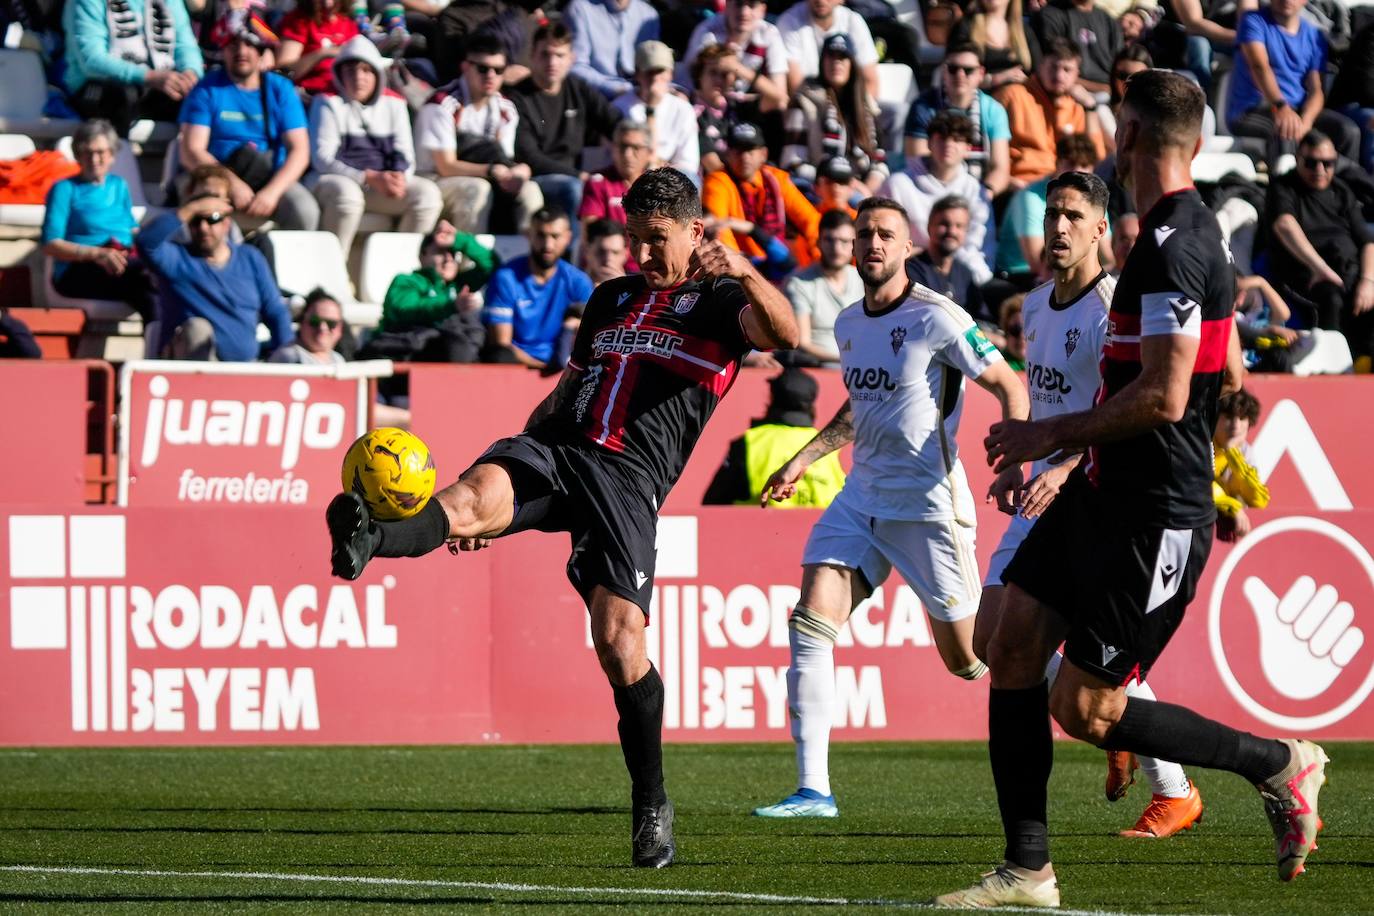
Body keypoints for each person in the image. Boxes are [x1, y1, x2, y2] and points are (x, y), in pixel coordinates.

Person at [325, 166, 800, 869]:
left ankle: (651, 802)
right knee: (464, 502)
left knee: (618, 644)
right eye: (632, 237)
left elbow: (786, 334)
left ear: (696, 232)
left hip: (628, 480)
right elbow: (566, 390)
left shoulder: (721, 300)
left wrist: (740, 266)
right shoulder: (609, 298)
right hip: (558, 447)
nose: (639, 253)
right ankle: (370, 534)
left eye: (656, 239)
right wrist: (507, 479)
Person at [935, 69, 1326, 909]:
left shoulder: (1175, 244)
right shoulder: (1167, 237)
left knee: (1087, 709)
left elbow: (1166, 395)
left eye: (1118, 126)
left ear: (1133, 137)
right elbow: (1215, 374)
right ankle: (1027, 871)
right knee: (1008, 649)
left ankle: (1278, 763)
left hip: (1154, 516)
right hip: (1103, 496)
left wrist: (1048, 433)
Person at [752, 196, 1028, 819]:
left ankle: (1095, 686)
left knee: (973, 660)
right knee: (810, 623)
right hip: (861, 499)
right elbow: (859, 408)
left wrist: (1013, 463)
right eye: (864, 234)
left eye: (886, 235)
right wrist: (805, 459)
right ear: (852, 250)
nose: (873, 243)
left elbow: (1010, 384)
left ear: (908, 249)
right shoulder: (849, 323)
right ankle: (813, 790)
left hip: (930, 507)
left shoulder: (940, 318)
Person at [978, 170, 1204, 844]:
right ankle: (1114, 728)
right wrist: (1020, 463)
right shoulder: (1037, 306)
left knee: (1060, 655)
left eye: (1075, 215)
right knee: (991, 639)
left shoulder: (1114, 305)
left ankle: (1175, 789)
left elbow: (1128, 410)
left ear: (1102, 227)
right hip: (1043, 487)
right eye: (1052, 214)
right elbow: (1044, 400)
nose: (1059, 228)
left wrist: (1068, 464)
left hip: (1094, 490)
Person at [179, 12, 320, 231]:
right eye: (233, 44)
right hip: (216, 176)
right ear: (223, 50)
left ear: (261, 51)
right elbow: (192, 150)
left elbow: (300, 151)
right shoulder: (207, 89)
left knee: (305, 210)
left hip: (269, 177)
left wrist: (272, 192)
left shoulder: (280, 89)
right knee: (207, 212)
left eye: (250, 44)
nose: (241, 52)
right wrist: (230, 183)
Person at [310, 36, 442, 256]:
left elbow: (405, 154)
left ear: (377, 74)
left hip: (381, 184)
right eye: (350, 70)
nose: (358, 77)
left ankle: (402, 268)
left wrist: (399, 177)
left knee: (426, 195)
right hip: (340, 182)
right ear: (340, 73)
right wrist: (367, 177)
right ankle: (333, 268)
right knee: (347, 196)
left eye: (366, 70)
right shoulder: (327, 102)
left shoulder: (395, 103)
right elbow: (322, 159)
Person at [1262, 129, 1374, 370]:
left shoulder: (1342, 190)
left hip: (1351, 271)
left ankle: (1364, 364)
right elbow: (1284, 225)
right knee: (1331, 298)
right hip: (1307, 275)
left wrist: (1368, 280)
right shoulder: (1284, 187)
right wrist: (1320, 268)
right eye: (1312, 163)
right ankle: (1335, 370)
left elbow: (1367, 241)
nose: (1320, 170)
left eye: (1328, 163)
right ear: (1298, 159)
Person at [137, 191, 292, 361]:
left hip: (244, 370)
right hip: (189, 372)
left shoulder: (250, 257)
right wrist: (191, 208)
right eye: (195, 220)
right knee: (197, 329)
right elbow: (146, 242)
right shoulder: (177, 259)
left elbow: (276, 311)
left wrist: (283, 358)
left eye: (212, 219)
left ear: (227, 223)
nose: (203, 227)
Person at [413, 34, 544, 235]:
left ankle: (527, 261)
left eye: (498, 70)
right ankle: (470, 263)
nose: (490, 75)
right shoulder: (441, 105)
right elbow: (445, 166)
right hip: (432, 179)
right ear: (465, 67)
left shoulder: (506, 109)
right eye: (482, 68)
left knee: (530, 191)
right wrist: (491, 170)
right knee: (476, 189)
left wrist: (520, 171)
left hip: (483, 175)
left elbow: (504, 160)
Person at [509, 22, 624, 243]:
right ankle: (575, 256)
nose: (552, 62)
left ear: (571, 58)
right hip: (536, 177)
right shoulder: (518, 97)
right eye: (545, 54)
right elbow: (528, 156)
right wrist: (579, 175)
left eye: (559, 55)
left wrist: (640, 153)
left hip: (574, 176)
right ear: (532, 55)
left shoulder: (577, 88)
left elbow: (615, 123)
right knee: (575, 189)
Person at [42, 119, 156, 321]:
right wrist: (97, 254)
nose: (94, 159)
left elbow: (130, 229)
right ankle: (162, 350)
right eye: (87, 152)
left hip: (122, 262)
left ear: (112, 154)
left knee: (157, 285)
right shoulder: (64, 189)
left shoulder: (119, 185)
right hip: (79, 270)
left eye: (101, 152)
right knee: (147, 284)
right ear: (78, 155)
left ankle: (166, 348)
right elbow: (50, 244)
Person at [1227, 0, 1360, 170]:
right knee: (1286, 130)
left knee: (1347, 131)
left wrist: (1307, 120)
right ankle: (1282, 192)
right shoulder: (1252, 21)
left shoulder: (1315, 35)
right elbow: (1259, 66)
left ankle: (1344, 190)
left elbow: (1316, 89)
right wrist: (1281, 106)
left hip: (1296, 112)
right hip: (1250, 110)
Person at [702, 368, 845, 506]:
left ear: (772, 399)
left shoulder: (751, 441)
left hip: (759, 528)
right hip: (822, 529)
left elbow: (714, 501)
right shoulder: (827, 445)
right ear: (812, 404)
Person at [880, 112, 995, 282]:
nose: (948, 145)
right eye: (941, 138)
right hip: (911, 273)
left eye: (956, 140)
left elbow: (980, 246)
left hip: (965, 275)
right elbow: (886, 240)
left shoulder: (976, 191)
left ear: (968, 149)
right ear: (929, 143)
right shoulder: (897, 184)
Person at [62, 0, 203, 134]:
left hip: (156, 87)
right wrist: (150, 77)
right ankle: (119, 157)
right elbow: (91, 59)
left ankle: (197, 158)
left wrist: (190, 73)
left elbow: (185, 46)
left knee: (202, 96)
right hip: (97, 87)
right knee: (123, 95)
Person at [367, 221, 497, 363]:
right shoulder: (407, 280)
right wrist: (451, 306)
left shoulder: (458, 286)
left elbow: (491, 265)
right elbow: (405, 308)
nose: (448, 260)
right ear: (422, 256)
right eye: (441, 252)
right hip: (408, 352)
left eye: (453, 254)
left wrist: (458, 239)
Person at [482, 207, 594, 369]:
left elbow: (588, 339)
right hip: (517, 365)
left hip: (564, 364)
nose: (548, 245)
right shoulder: (506, 277)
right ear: (529, 235)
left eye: (555, 236)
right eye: (541, 235)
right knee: (500, 355)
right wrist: (542, 368)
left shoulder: (579, 281)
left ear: (568, 238)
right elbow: (501, 342)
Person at [704, 122, 820, 272]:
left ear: (763, 154)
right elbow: (719, 231)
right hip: (739, 265)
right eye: (738, 151)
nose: (745, 157)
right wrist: (734, 267)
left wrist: (821, 263)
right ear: (728, 154)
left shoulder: (777, 179)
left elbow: (811, 221)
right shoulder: (718, 181)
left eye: (750, 150)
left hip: (777, 261)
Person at [995, 134, 1106, 289]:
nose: (1077, 171)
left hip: (1073, 273)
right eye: (1071, 163)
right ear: (1057, 162)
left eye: (1084, 165)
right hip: (1020, 277)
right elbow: (1039, 262)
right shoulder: (1029, 197)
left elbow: (1106, 257)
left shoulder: (1095, 200)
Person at [780, 34, 887, 190]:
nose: (836, 63)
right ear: (822, 62)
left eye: (842, 57)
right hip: (819, 187)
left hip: (861, 189)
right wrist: (841, 182)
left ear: (852, 64)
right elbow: (792, 162)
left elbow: (879, 161)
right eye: (831, 57)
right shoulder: (804, 102)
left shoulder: (866, 106)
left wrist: (867, 190)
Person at [905, 44, 1013, 194]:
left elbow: (1000, 168)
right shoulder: (923, 106)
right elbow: (917, 163)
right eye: (953, 69)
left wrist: (983, 196)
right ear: (944, 71)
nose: (960, 75)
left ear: (981, 73)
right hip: (928, 192)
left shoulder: (994, 110)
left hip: (978, 194)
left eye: (968, 70)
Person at [996, 38, 1106, 188]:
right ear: (1041, 66)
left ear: (1076, 74)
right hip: (1020, 184)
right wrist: (1007, 181)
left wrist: (1090, 108)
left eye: (1067, 70)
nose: (1059, 76)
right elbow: (991, 150)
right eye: (1053, 67)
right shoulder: (1012, 95)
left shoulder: (1078, 107)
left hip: (1065, 188)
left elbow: (1095, 158)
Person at [784, 208, 864, 365]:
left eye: (844, 241)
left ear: (854, 245)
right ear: (818, 242)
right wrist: (846, 360)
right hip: (820, 366)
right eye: (829, 240)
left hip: (863, 365)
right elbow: (802, 342)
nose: (836, 248)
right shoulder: (798, 283)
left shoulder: (863, 280)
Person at [612, 41, 700, 181]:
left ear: (671, 73)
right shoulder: (619, 107)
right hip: (631, 178)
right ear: (637, 74)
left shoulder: (683, 109)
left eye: (660, 71)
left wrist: (660, 169)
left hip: (670, 179)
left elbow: (689, 163)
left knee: (690, 180)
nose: (654, 78)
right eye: (648, 71)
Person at [682, 0, 789, 114]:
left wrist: (738, 69)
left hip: (745, 108)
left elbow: (781, 98)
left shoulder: (769, 34)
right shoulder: (707, 32)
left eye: (752, 6)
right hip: (707, 107)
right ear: (727, 6)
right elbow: (688, 81)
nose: (744, 12)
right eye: (738, 4)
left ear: (762, 10)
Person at [580, 121, 653, 271]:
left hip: (649, 267)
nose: (627, 154)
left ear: (649, 153)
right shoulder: (598, 181)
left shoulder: (657, 186)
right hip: (607, 267)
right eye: (622, 146)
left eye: (635, 148)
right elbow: (591, 234)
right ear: (613, 149)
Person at [905, 196, 990, 325]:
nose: (952, 231)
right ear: (929, 227)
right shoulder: (911, 270)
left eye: (959, 226)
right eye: (944, 224)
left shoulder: (965, 273)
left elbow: (982, 317)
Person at [776, 0, 879, 98]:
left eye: (842, 56)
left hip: (849, 106)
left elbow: (871, 82)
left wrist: (856, 111)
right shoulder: (789, 21)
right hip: (810, 106)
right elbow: (796, 87)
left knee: (893, 111)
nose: (821, 1)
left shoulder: (854, 21)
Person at [564, 0, 661, 100]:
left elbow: (654, 65)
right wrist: (613, 88)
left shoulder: (649, 14)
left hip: (641, 96)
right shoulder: (580, 8)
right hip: (597, 97)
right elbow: (574, 66)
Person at [1213, 387, 1269, 543]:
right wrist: (1232, 507)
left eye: (1242, 418)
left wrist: (1232, 452)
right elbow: (1198, 487)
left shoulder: (1244, 451)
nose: (1235, 426)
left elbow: (1258, 500)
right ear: (1215, 418)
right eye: (1229, 417)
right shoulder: (1202, 444)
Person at [1032, 0, 1123, 94]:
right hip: (1070, 92)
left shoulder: (1109, 21)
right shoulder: (1050, 15)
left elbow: (1122, 67)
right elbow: (1049, 70)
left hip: (1110, 93)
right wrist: (1103, 89)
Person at [277, 0, 361, 97]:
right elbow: (282, 73)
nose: (328, 3)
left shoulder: (349, 25)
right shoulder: (298, 21)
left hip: (344, 96)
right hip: (309, 97)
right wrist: (322, 54)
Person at [948, 0, 1034, 92]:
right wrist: (998, 79)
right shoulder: (966, 28)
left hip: (1021, 98)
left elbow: (1039, 73)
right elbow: (956, 75)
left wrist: (1027, 81)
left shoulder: (1024, 32)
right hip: (981, 99)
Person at [691, 44, 745, 175]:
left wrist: (741, 70)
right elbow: (713, 165)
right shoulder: (692, 113)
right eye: (713, 72)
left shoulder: (736, 106)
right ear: (700, 75)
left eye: (725, 74)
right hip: (710, 184)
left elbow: (777, 99)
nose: (719, 80)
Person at [582, 218, 630, 284]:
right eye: (601, 252)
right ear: (586, 251)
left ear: (625, 254)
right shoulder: (568, 286)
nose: (608, 259)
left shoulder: (641, 289)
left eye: (615, 252)